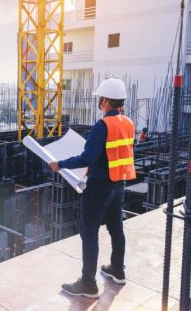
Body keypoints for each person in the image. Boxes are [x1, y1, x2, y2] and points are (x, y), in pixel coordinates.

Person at [49, 78, 136, 298]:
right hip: (118, 184)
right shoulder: (128, 123)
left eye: (100, 99)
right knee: (116, 228)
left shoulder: (102, 125)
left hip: (98, 187)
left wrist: (61, 164)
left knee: (89, 233)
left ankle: (88, 284)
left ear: (105, 101)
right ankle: (118, 269)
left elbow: (88, 156)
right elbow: (114, 154)